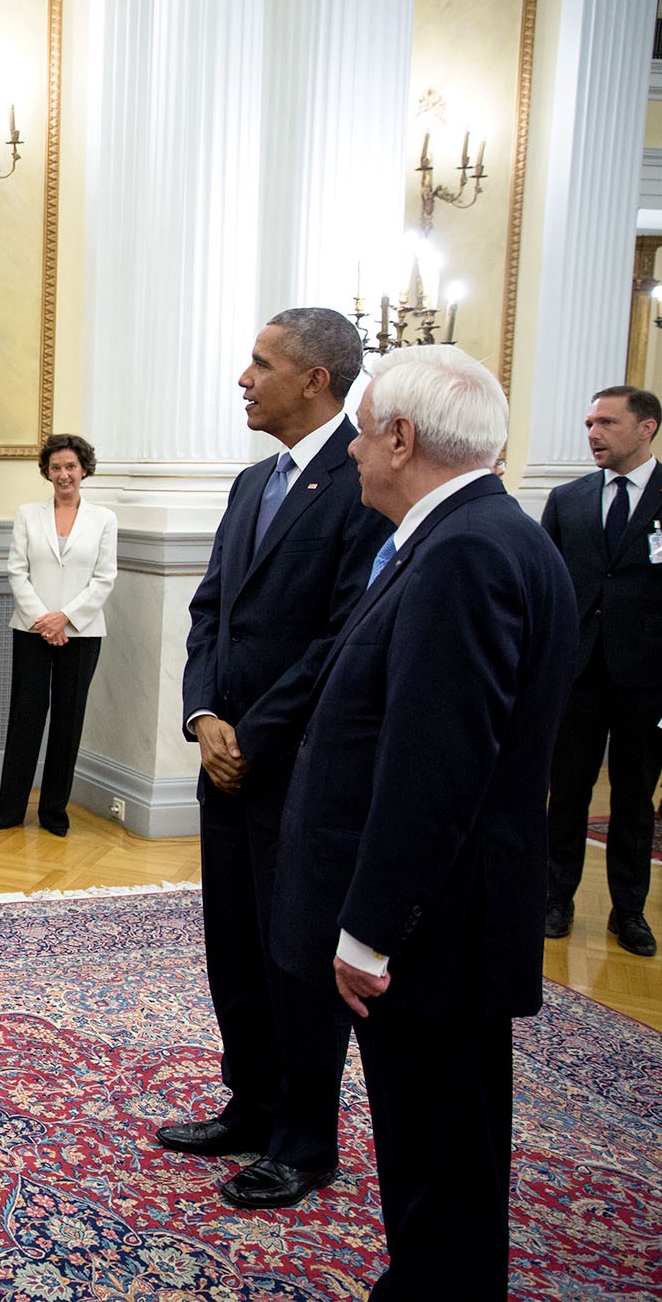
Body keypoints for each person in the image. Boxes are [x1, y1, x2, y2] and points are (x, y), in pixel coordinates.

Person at [272, 344, 578, 1297]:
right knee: (445, 1136)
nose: (354, 455)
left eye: (362, 435)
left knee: (440, 1140)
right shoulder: (492, 534)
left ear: (401, 438)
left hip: (432, 929)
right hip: (450, 915)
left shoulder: (466, 553)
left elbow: (434, 769)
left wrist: (367, 931)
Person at [160, 307, 394, 1210]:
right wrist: (204, 714)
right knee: (236, 946)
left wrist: (252, 733)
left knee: (296, 954)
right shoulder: (252, 482)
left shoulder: (362, 481)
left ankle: (305, 1140)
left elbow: (342, 635)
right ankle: (250, 1104)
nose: (245, 378)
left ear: (318, 380)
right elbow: (211, 611)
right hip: (225, 760)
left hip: (297, 770)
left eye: (262, 363)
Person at [540, 385, 661, 957]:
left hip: (647, 676)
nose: (593, 433)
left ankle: (629, 910)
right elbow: (546, 588)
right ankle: (555, 897)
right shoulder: (568, 499)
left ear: (646, 429)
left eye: (607, 423)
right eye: (589, 422)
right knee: (566, 791)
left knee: (635, 798)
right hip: (578, 669)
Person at [0, 434, 117, 836]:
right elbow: (16, 571)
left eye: (71, 467)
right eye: (56, 467)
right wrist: (45, 620)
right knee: (25, 719)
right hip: (31, 631)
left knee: (68, 721)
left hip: (81, 633)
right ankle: (9, 811)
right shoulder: (28, 514)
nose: (64, 474)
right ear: (47, 471)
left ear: (84, 470)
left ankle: (53, 814)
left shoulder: (104, 519)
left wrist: (65, 618)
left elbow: (104, 578)